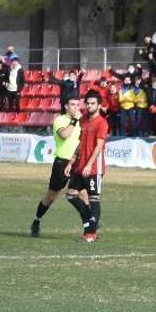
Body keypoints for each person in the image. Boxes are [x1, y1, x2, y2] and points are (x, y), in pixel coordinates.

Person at [30, 95, 97, 241]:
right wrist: (74, 120)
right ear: (66, 106)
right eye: (72, 104)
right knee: (51, 197)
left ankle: (89, 227)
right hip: (62, 162)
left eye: (77, 105)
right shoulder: (60, 120)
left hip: (78, 162)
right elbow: (65, 135)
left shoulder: (83, 121)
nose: (76, 107)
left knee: (83, 194)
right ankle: (37, 220)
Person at [70, 91, 109, 237]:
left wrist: (89, 164)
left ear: (99, 105)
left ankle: (91, 232)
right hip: (81, 166)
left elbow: (99, 147)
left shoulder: (102, 123)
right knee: (71, 195)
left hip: (94, 168)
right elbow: (80, 143)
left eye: (93, 103)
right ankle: (90, 220)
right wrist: (72, 162)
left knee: (94, 199)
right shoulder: (84, 120)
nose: (89, 106)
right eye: (88, 103)